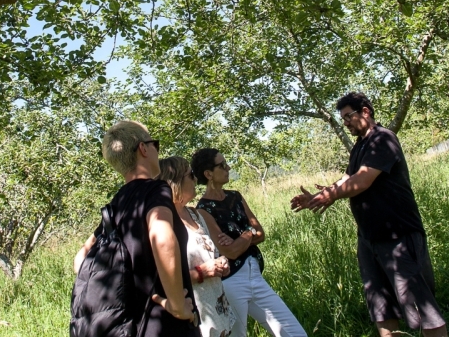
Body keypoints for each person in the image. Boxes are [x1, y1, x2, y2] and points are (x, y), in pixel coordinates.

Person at [290, 92, 447, 337]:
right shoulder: (360, 145)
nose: (346, 122)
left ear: (366, 112)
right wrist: (320, 195)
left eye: (349, 116)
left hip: (398, 236)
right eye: (343, 119)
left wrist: (331, 195)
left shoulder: (382, 139)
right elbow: (347, 178)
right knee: (382, 311)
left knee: (423, 310)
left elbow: (363, 179)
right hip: (369, 239)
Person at [73, 120, 200, 337]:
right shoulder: (155, 190)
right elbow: (161, 238)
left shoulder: (115, 205)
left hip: (132, 326)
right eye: (155, 145)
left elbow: (80, 261)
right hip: (165, 324)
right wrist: (177, 304)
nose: (157, 151)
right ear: (143, 148)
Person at [193, 148, 307, 337]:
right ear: (208, 174)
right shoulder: (203, 210)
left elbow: (260, 233)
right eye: (222, 165)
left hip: (255, 274)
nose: (228, 167)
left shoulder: (235, 197)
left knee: (294, 332)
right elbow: (229, 252)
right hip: (231, 282)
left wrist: (242, 237)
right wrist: (248, 234)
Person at [159, 156, 237, 337]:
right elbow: (163, 279)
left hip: (219, 311)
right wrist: (202, 272)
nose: (195, 179)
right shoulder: (163, 224)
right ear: (175, 182)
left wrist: (221, 264)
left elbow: (212, 256)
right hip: (193, 317)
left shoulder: (195, 214)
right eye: (190, 175)